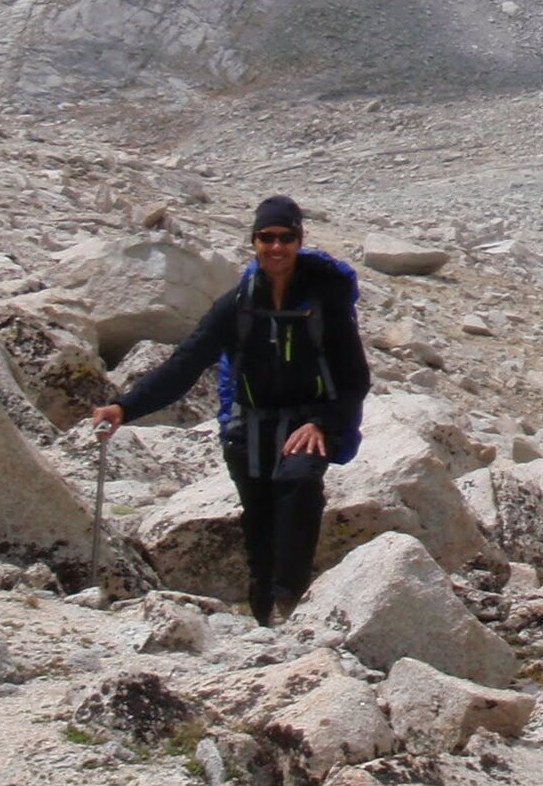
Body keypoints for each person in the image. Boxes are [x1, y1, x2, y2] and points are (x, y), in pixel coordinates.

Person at [90, 194, 368, 624]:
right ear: (253, 242)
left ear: (299, 240)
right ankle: (263, 613)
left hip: (308, 422)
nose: (276, 247)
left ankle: (291, 601)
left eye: (286, 237)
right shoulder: (237, 305)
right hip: (250, 426)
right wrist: (124, 407)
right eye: (267, 238)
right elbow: (185, 364)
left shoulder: (324, 300)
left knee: (298, 487)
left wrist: (322, 422)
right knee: (258, 521)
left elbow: (354, 377)